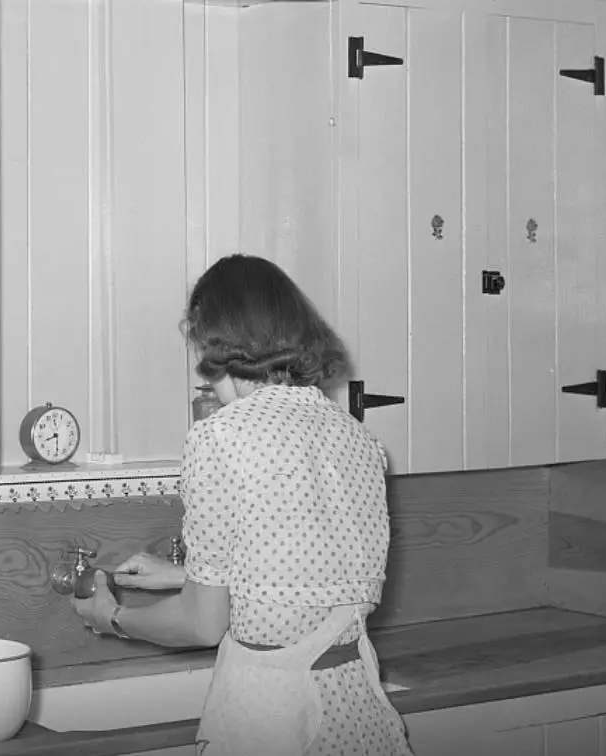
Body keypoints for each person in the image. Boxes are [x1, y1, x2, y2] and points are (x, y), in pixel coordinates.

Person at [72, 254, 414, 756]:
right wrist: (178, 577)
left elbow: (202, 624)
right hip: (353, 704)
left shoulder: (221, 437)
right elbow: (306, 573)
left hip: (273, 713)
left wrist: (113, 617)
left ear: (217, 343)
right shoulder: (358, 440)